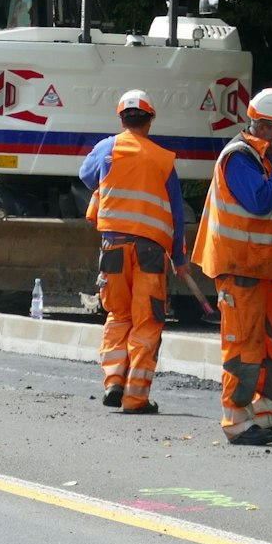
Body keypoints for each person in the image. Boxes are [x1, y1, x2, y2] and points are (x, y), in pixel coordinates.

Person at [192, 88, 272, 446]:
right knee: (243, 346)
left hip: (261, 269)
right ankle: (237, 422)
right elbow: (259, 201)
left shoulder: (260, 158)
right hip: (240, 268)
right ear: (263, 125)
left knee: (270, 345)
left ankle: (267, 416)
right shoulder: (240, 157)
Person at [80, 90, 191, 416]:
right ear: (150, 120)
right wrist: (179, 258)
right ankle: (135, 397)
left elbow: (86, 177)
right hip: (151, 253)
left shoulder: (106, 148)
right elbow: (176, 213)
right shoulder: (162, 159)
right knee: (147, 320)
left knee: (117, 315)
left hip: (113, 246)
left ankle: (114, 380)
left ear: (121, 119)